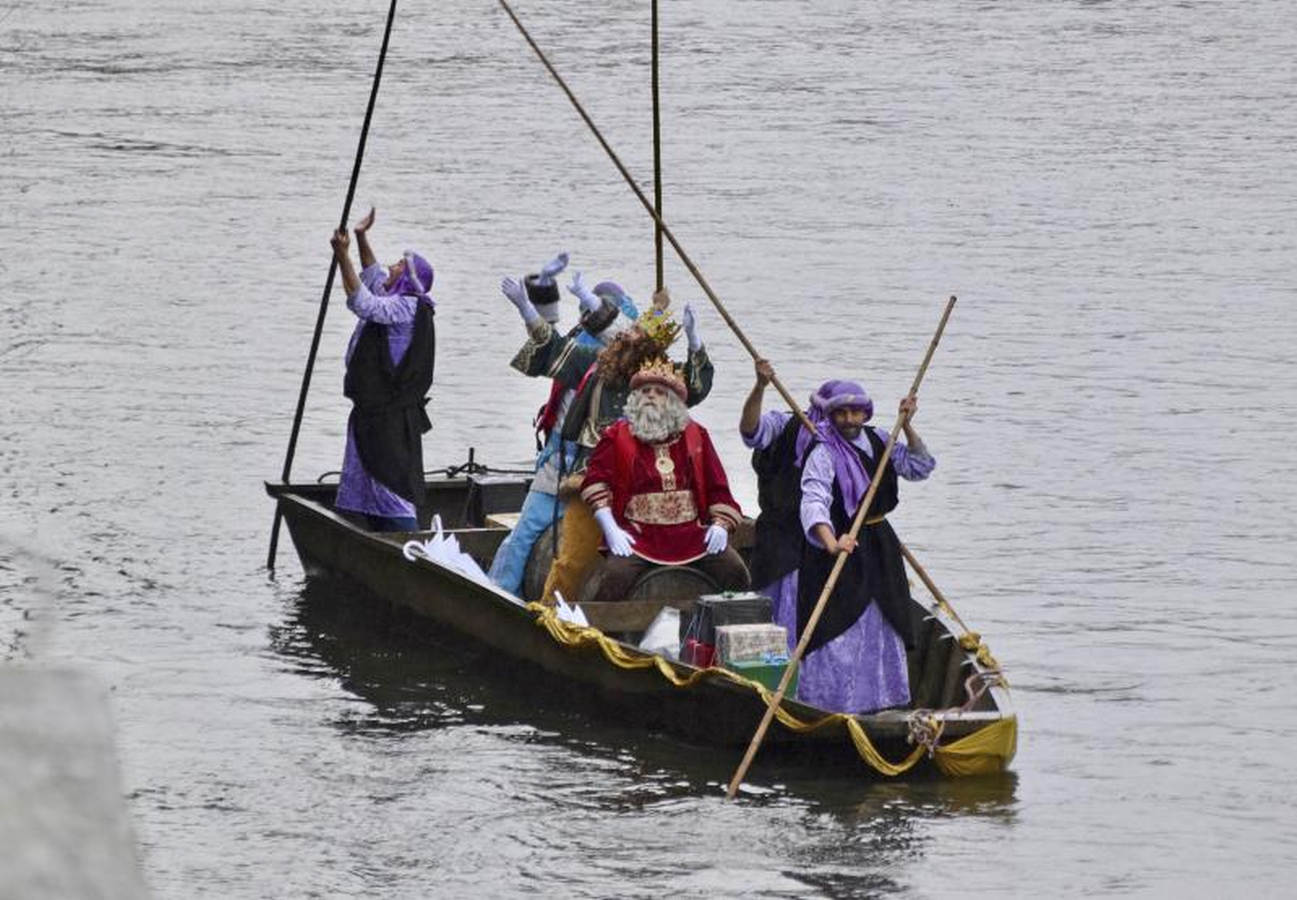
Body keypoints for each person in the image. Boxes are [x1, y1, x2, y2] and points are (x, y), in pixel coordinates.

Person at [506, 278, 713, 604]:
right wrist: (527, 310)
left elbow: (697, 387)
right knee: (572, 563)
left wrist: (694, 340)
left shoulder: (660, 377)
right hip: (593, 482)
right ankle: (550, 618)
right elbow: (554, 347)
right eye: (619, 336)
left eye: (629, 336)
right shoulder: (593, 364)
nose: (620, 340)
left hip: (653, 489)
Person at [796, 380, 935, 713]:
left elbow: (919, 467)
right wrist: (832, 543)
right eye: (841, 413)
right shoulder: (824, 451)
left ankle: (883, 700)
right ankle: (832, 703)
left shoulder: (881, 440)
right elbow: (813, 501)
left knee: (885, 620)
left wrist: (909, 427)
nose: (848, 419)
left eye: (855, 412)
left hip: (880, 544)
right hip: (841, 546)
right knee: (838, 625)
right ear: (831, 416)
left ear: (865, 413)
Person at [580, 358, 749, 602]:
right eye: (645, 391)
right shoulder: (616, 436)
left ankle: (732, 629)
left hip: (691, 534)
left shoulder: (696, 435)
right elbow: (595, 481)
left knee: (735, 571)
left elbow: (718, 488)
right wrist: (611, 527)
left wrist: (720, 525)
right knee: (614, 578)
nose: (650, 396)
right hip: (639, 535)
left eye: (659, 392)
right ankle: (602, 637)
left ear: (672, 402)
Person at [329, 208, 436, 532]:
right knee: (364, 475)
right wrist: (361, 238)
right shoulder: (396, 294)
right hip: (372, 411)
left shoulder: (407, 305)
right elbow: (373, 275)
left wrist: (341, 255)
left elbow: (362, 301)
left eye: (400, 265)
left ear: (408, 278)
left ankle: (406, 539)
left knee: (390, 479)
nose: (392, 265)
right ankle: (369, 529)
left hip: (389, 415)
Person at [738, 357, 806, 652]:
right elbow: (751, 431)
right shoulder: (784, 425)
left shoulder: (845, 438)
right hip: (780, 534)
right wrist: (760, 386)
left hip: (825, 538)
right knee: (776, 600)